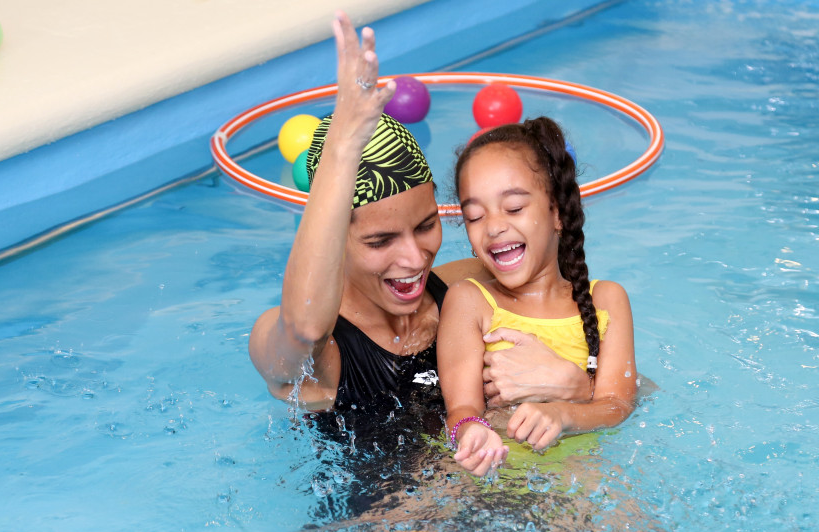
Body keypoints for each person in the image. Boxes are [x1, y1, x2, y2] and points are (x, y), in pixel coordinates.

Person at [248, 12, 591, 426]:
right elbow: (304, 328)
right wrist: (342, 149)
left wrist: (579, 388)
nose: (415, 258)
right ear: (335, 242)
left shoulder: (472, 289)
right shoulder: (318, 354)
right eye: (381, 241)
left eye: (426, 225)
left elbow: (628, 385)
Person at [438, 117, 638, 477]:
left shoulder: (607, 300)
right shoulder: (469, 301)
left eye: (514, 208)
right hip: (496, 475)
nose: (494, 227)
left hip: (582, 478)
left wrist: (563, 413)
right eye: (475, 216)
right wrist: (471, 432)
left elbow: (618, 405)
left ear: (557, 212)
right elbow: (461, 409)